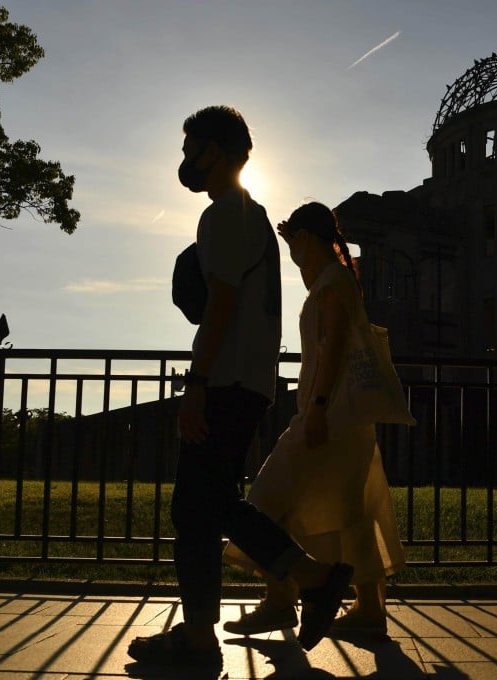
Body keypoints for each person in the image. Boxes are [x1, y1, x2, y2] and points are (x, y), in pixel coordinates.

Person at [127, 107, 352, 667]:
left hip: (225, 381)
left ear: (218, 152)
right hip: (250, 382)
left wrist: (196, 384)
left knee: (196, 505)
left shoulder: (225, 213)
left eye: (192, 148)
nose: (185, 161)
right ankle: (213, 630)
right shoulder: (253, 215)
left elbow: (220, 309)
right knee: (207, 506)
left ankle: (308, 581)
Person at [221, 202, 406, 638]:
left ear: (305, 238)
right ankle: (365, 609)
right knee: (353, 510)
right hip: (339, 417)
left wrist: (318, 407)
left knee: (267, 500)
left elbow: (335, 346)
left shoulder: (332, 282)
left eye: (294, 241)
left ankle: (283, 598)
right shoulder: (334, 279)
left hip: (327, 416)